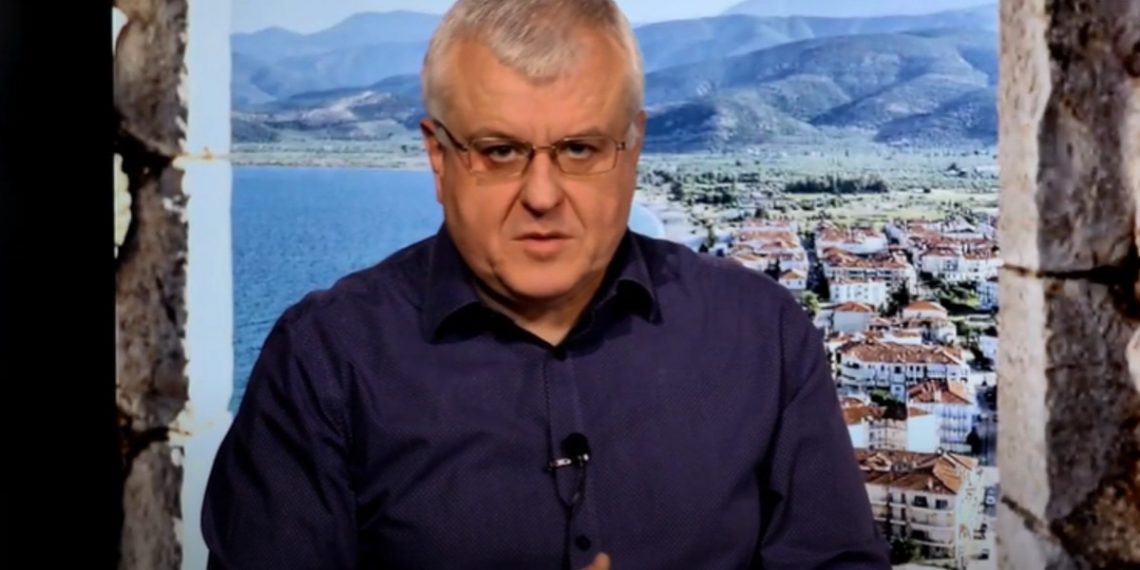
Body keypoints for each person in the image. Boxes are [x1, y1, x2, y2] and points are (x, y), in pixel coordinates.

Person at [201, 1, 890, 568]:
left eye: (580, 149)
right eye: (500, 151)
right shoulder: (325, 361)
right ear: (438, 157)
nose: (541, 195)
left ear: (633, 149)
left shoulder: (761, 334)